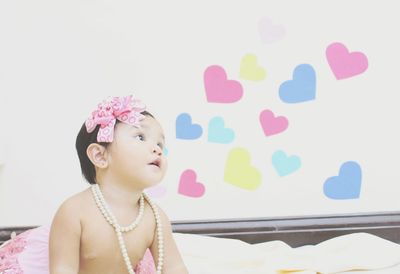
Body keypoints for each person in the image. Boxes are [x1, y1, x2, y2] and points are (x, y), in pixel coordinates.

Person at [0, 95, 188, 274]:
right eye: (140, 137)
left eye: (160, 145)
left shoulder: (155, 218)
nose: (157, 149)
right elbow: (63, 270)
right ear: (100, 156)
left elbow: (174, 268)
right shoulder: (74, 212)